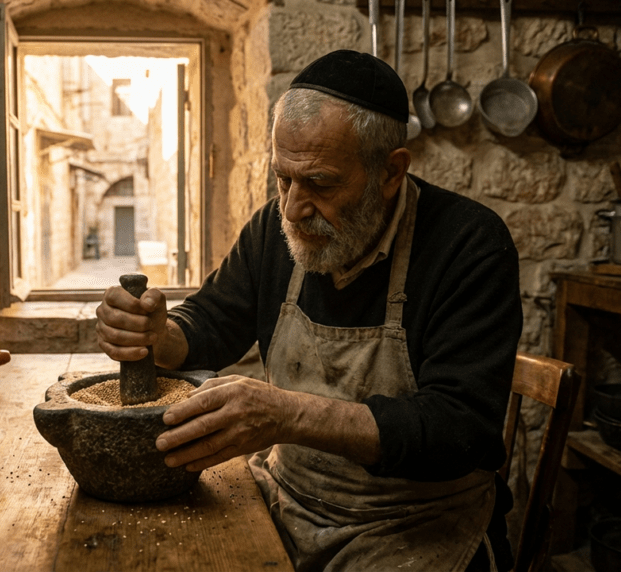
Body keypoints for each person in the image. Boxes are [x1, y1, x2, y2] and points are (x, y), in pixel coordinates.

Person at [95, 49, 522, 572]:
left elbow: (462, 431)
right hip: (289, 499)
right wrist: (159, 334)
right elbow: (210, 322)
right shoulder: (274, 230)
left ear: (391, 172)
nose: (293, 209)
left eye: (319, 183)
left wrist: (288, 413)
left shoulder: (468, 244)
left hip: (415, 525)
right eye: (282, 178)